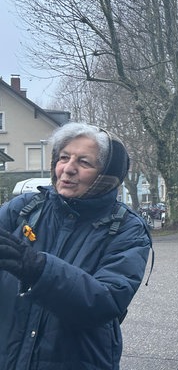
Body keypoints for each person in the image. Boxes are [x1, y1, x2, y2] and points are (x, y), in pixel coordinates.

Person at [0, 122, 151, 369]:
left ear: (107, 175)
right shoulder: (24, 208)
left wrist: (38, 269)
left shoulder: (127, 228)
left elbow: (106, 301)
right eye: (63, 157)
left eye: (84, 162)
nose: (68, 169)